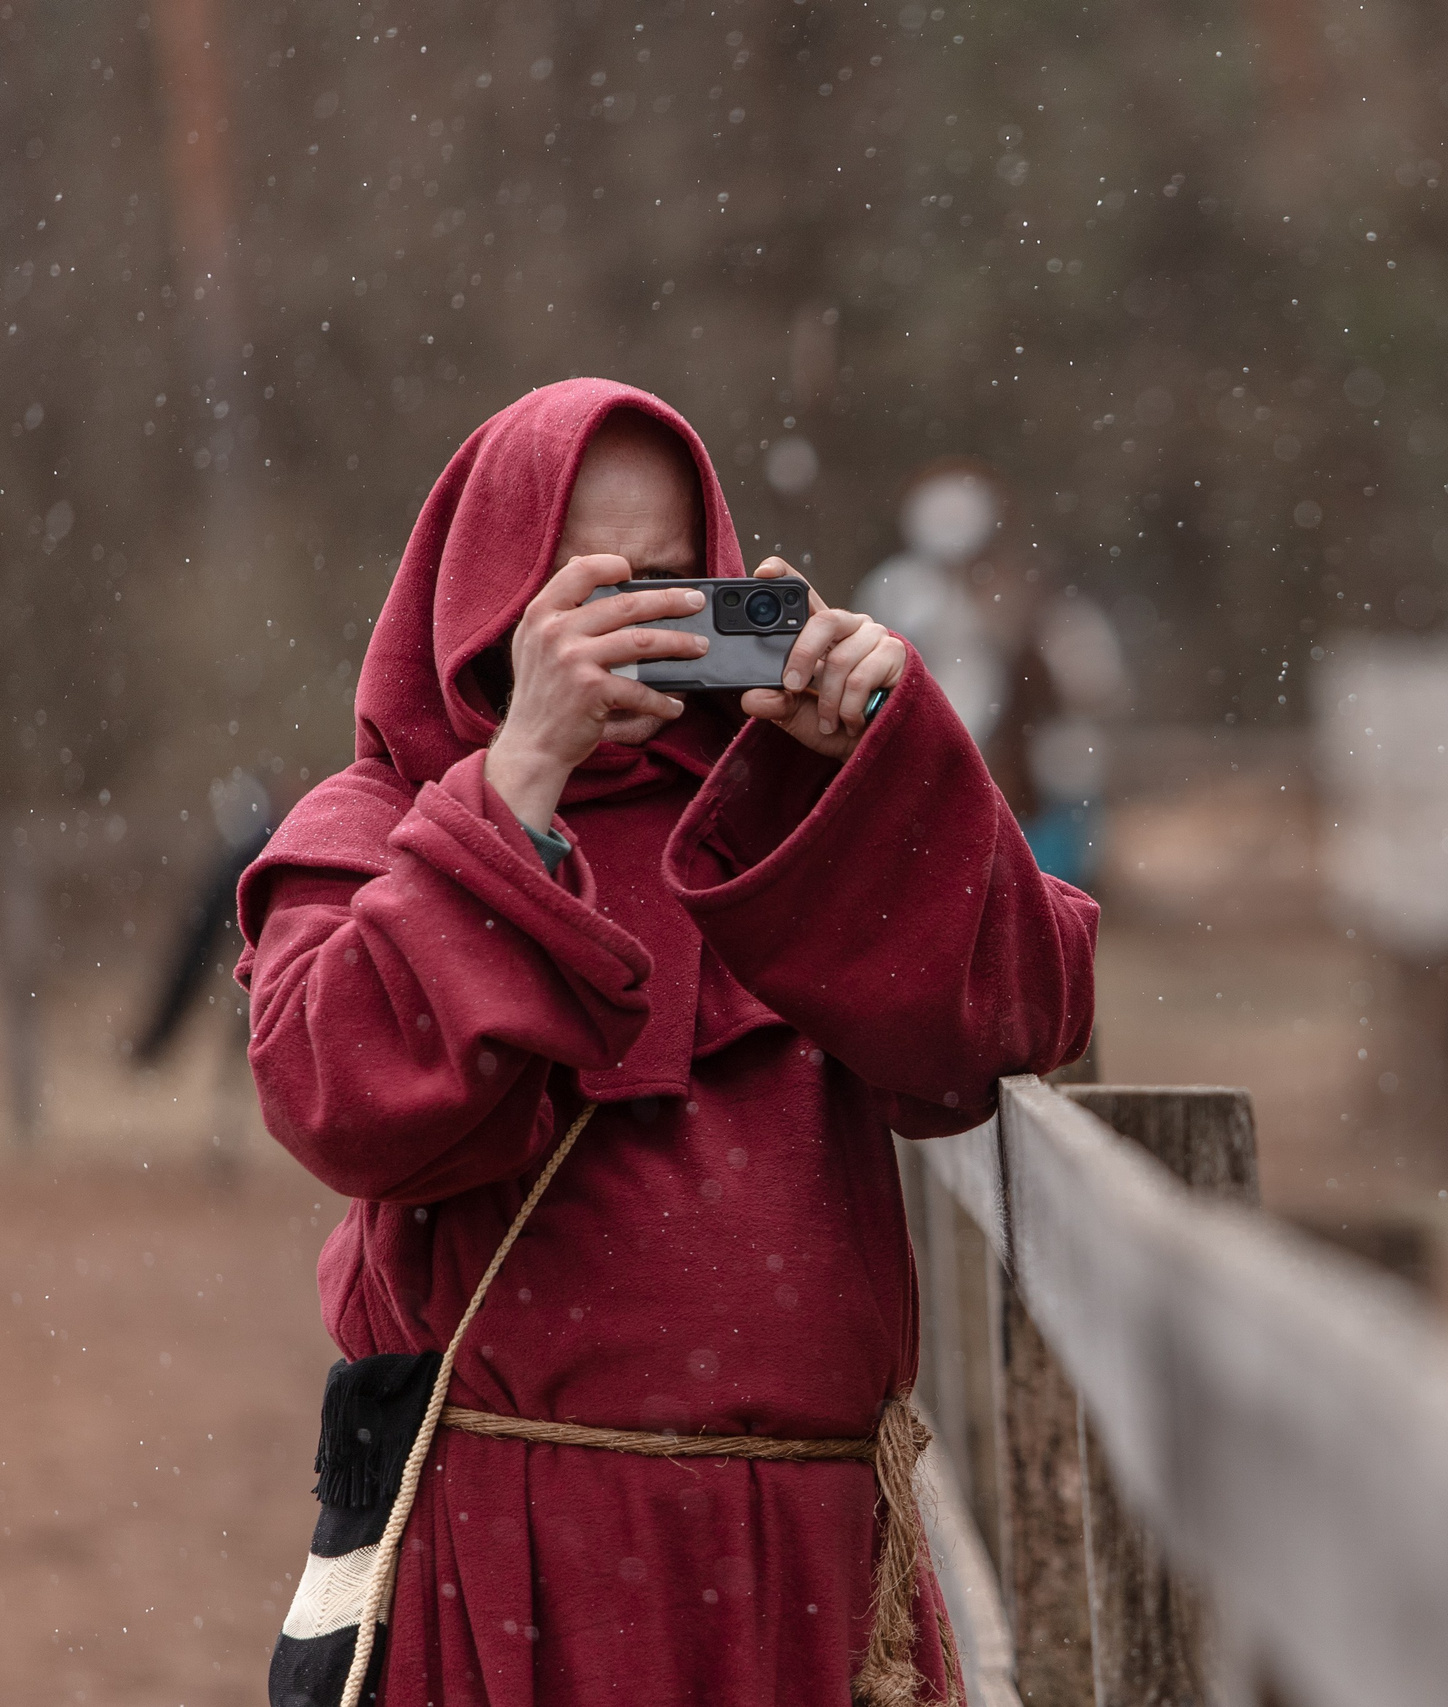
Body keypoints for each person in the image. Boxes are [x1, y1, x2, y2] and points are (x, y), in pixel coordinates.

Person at [236, 378, 1096, 1706]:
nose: (639, 623)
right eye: (589, 584)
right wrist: (518, 779)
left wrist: (877, 762)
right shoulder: (377, 823)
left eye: (672, 581)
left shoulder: (780, 810)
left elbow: (1022, 1012)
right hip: (526, 1560)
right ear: (488, 599)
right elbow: (333, 1099)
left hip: (816, 1570)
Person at [855, 460, 1128, 888]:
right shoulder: (899, 594)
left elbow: (1093, 682)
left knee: (1044, 877)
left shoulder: (1036, 594)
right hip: (939, 772)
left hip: (1035, 781)